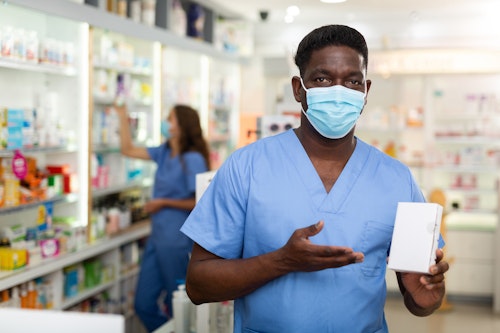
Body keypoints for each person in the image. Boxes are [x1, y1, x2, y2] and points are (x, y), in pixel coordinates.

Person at [180, 24, 449, 332]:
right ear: (299, 88)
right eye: (322, 78)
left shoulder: (397, 179)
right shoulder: (247, 167)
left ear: (365, 91)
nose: (339, 91)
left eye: (352, 81)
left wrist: (426, 295)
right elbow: (198, 286)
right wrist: (282, 261)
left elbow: (420, 299)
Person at [115, 103, 210, 332]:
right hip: (156, 238)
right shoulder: (164, 151)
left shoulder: (193, 158)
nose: (166, 123)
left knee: (176, 302)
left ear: (182, 125)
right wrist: (122, 116)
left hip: (177, 240)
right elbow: (127, 149)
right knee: (143, 304)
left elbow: (200, 202)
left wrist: (164, 202)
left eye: (170, 119)